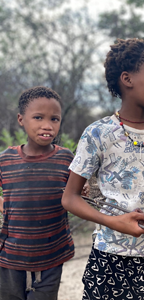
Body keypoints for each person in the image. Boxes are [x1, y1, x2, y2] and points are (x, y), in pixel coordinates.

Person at [62, 37, 144, 299]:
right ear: (127, 79)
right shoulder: (98, 134)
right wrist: (114, 222)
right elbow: (69, 198)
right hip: (111, 259)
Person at [0, 86, 89, 300]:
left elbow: (75, 193)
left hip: (51, 254)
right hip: (11, 254)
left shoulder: (66, 158)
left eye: (54, 119)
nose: (47, 126)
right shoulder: (6, 159)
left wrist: (81, 190)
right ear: (21, 119)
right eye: (38, 117)